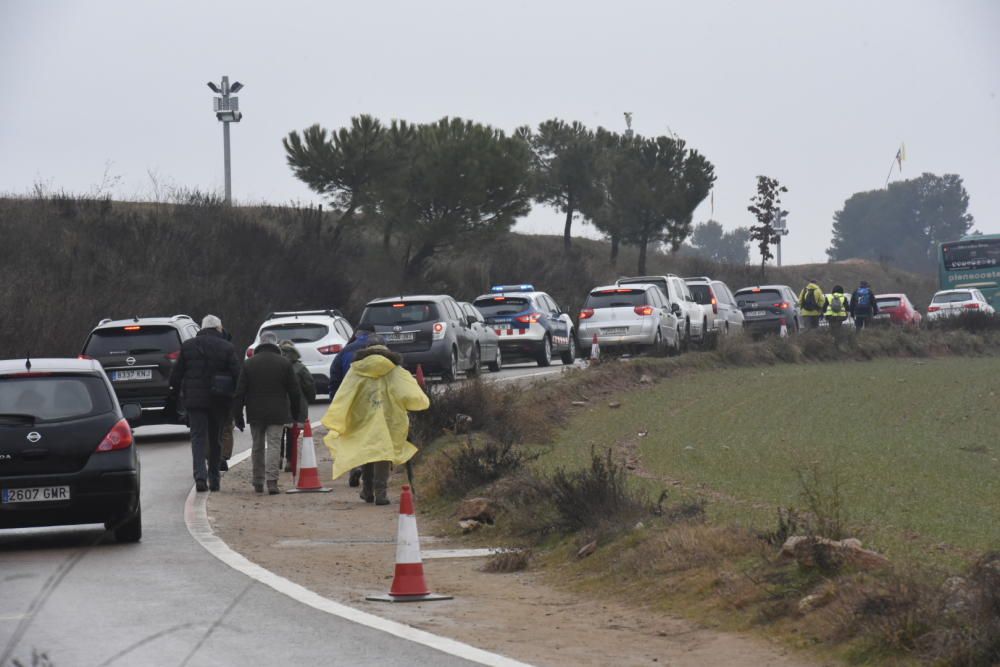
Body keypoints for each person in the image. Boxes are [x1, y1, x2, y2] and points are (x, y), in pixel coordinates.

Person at [321, 345, 429, 506]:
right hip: (390, 420)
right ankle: (381, 493)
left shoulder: (356, 370)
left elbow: (344, 394)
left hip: (362, 418)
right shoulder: (395, 371)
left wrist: (339, 416)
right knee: (383, 454)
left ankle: (367, 491)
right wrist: (414, 404)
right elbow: (412, 394)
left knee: (368, 452)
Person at [168, 315, 241, 493]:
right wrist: (236, 400)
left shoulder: (188, 346)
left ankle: (200, 476)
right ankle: (214, 479)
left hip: (195, 401)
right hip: (219, 400)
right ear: (218, 328)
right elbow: (238, 375)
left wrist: (177, 395)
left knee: (198, 438)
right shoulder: (227, 347)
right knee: (215, 440)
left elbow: (176, 376)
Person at [233, 332, 304, 495]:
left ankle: (258, 480)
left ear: (260, 344)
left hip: (255, 412)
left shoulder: (249, 364)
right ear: (275, 344)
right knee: (274, 445)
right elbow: (294, 391)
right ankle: (272, 481)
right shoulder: (284, 363)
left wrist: (237, 416)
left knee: (257, 446)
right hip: (278, 412)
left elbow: (239, 392)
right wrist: (295, 413)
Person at [329, 329, 383, 488]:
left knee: (354, 436)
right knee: (377, 439)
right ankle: (378, 485)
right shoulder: (384, 354)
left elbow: (335, 377)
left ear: (357, 334)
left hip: (353, 401)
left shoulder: (346, 352)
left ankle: (356, 467)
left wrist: (336, 400)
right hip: (378, 402)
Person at [279, 340, 317, 473]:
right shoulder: (300, 368)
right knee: (292, 435)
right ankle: (290, 460)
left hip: (279, 406)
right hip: (297, 406)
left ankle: (278, 457)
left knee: (277, 433)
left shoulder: (277, 367)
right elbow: (309, 386)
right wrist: (310, 398)